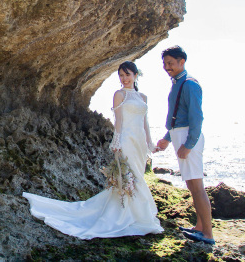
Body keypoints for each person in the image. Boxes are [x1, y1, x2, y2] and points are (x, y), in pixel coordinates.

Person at [23, 61, 164, 239]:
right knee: (129, 177)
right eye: (121, 75)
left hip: (140, 144)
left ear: (136, 75)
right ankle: (127, 216)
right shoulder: (119, 95)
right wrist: (117, 142)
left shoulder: (143, 97)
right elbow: (118, 121)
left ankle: (134, 214)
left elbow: (145, 122)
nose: (124, 79)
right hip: (127, 140)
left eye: (127, 74)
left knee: (137, 177)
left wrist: (150, 144)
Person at [155, 46, 215, 245]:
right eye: (164, 63)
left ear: (182, 62)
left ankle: (208, 234)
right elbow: (177, 117)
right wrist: (167, 138)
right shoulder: (177, 83)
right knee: (192, 186)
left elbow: (196, 118)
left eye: (170, 63)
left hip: (188, 137)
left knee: (197, 187)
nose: (166, 67)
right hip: (179, 135)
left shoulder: (189, 84)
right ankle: (199, 228)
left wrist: (188, 145)